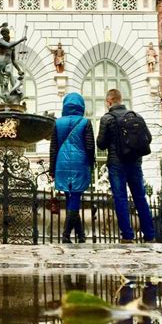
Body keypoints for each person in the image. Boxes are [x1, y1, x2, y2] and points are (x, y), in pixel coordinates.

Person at [96, 88, 155, 243]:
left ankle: (127, 236)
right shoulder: (136, 116)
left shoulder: (107, 118)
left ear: (109, 101)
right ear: (120, 100)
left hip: (117, 164)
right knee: (140, 198)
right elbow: (148, 137)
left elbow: (101, 144)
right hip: (135, 163)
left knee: (120, 198)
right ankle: (149, 235)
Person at [49, 92, 95, 243]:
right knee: (75, 197)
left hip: (61, 163)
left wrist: (52, 169)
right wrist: (90, 163)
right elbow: (89, 146)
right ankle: (66, 235)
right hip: (79, 163)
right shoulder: (85, 122)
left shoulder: (57, 123)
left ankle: (81, 236)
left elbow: (53, 148)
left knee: (71, 198)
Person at [0, 23, 27, 102]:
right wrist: (21, 40)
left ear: (8, 34)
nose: (4, 35)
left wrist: (19, 70)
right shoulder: (0, 41)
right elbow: (8, 45)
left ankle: (15, 91)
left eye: (6, 33)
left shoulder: (12, 47)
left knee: (9, 72)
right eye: (3, 34)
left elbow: (13, 60)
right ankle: (6, 98)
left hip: (7, 63)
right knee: (2, 84)